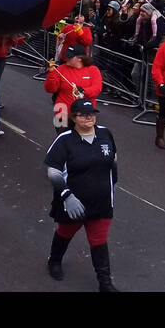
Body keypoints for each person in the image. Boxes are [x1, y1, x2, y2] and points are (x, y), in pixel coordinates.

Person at [44, 99, 118, 291]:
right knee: (65, 232)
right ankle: (54, 260)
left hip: (101, 202)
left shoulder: (105, 133)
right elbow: (53, 172)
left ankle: (105, 282)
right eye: (84, 115)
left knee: (99, 240)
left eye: (92, 114)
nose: (89, 118)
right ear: (74, 118)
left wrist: (111, 185)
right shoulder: (65, 139)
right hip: (73, 203)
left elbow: (114, 161)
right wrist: (67, 196)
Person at [44, 45, 102, 133]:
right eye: (66, 55)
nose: (66, 58)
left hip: (84, 113)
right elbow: (50, 89)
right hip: (62, 111)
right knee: (62, 138)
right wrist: (51, 73)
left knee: (84, 139)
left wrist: (83, 90)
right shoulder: (61, 69)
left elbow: (97, 89)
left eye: (70, 57)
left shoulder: (93, 70)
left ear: (80, 58)